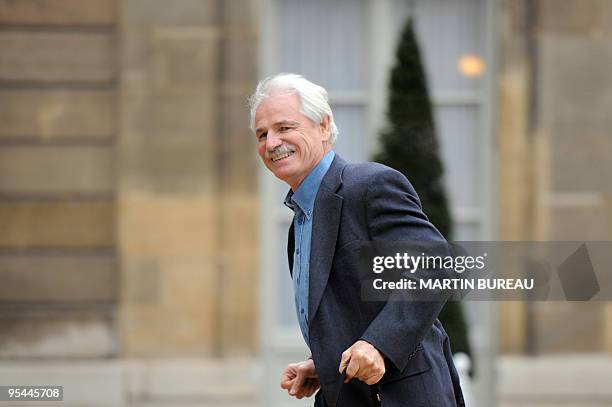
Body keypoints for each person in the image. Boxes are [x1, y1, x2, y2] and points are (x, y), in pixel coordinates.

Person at [249, 73, 464, 407]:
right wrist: (324, 364)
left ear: (323, 126)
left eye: (284, 127)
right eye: (262, 134)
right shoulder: (300, 223)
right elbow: (352, 312)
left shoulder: (368, 186)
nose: (272, 143)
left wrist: (378, 346)